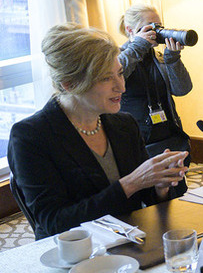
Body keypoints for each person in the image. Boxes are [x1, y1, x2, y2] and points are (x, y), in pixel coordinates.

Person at [8, 24, 187, 240]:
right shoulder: (31, 136)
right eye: (105, 78)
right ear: (70, 84)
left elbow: (146, 200)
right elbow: (54, 222)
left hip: (128, 244)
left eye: (120, 73)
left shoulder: (125, 124)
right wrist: (129, 184)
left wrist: (160, 185)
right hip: (74, 256)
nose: (121, 87)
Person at [117, 4, 193, 158]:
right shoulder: (117, 57)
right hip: (137, 144)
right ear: (130, 30)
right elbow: (113, 77)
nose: (156, 32)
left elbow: (182, 89)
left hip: (168, 138)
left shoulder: (158, 58)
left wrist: (172, 59)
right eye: (150, 27)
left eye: (159, 26)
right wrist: (138, 46)